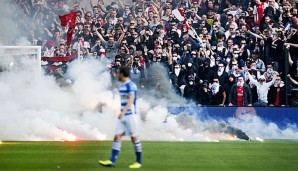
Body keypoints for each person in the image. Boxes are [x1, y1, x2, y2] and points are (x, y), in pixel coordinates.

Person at [99, 67, 142, 169]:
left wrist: (123, 111)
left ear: (123, 74)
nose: (117, 75)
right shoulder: (122, 86)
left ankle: (138, 162)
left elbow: (131, 100)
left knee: (134, 137)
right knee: (117, 136)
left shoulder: (131, 85)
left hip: (130, 115)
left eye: (118, 73)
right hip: (123, 115)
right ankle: (112, 160)